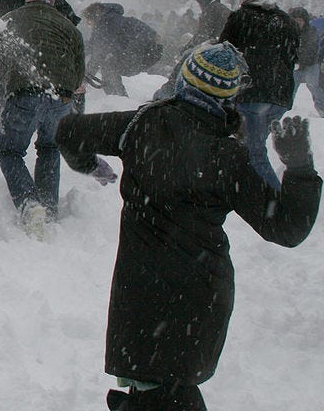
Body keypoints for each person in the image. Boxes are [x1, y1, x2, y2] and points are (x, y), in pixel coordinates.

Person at [56, 42, 321, 411]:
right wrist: (300, 169)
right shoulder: (227, 156)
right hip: (199, 298)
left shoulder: (141, 125)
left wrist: (88, 164)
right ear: (230, 96)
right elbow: (287, 228)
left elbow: (69, 130)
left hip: (141, 295)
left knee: (158, 391)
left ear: (185, 81)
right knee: (169, 392)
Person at [0, 0, 91, 237]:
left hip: (24, 95)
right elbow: (79, 72)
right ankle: (48, 208)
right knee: (49, 148)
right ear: (53, 0)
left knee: (11, 151)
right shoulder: (69, 28)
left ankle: (29, 204)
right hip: (60, 98)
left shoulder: (9, 20)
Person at [219, 0, 300, 189]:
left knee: (253, 152)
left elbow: (225, 52)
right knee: (251, 147)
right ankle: (247, 190)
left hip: (253, 94)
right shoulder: (287, 21)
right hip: (280, 96)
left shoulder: (241, 18)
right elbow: (292, 59)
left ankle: (276, 199)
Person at [81, 3, 163, 97]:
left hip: (145, 50)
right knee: (109, 63)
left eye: (88, 20)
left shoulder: (106, 23)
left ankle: (118, 98)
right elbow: (93, 45)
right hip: (150, 49)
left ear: (94, 17)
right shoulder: (109, 20)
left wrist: (85, 79)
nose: (87, 23)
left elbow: (99, 53)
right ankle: (117, 96)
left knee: (109, 64)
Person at [287, 7, 324, 116]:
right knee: (291, 87)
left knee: (314, 86)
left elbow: (312, 48)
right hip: (295, 65)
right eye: (295, 20)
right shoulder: (288, 31)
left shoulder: (311, 31)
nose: (298, 23)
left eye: (300, 20)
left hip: (311, 64)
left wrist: (303, 61)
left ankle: (322, 107)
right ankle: (286, 108)